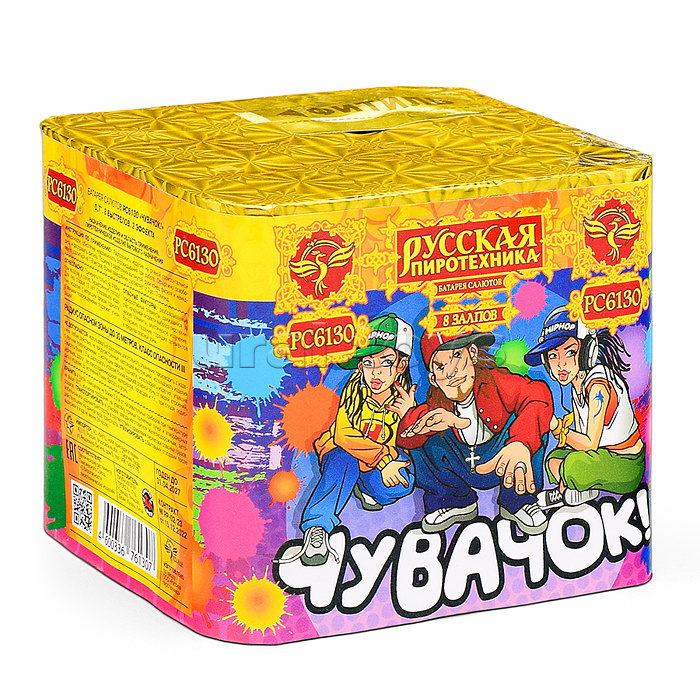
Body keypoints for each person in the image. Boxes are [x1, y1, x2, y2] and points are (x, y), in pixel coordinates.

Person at [278, 313, 417, 566]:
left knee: (402, 484)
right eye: (368, 363)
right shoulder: (353, 391)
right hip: (342, 455)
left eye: (386, 362)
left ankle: (361, 487)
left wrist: (409, 416)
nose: (376, 372)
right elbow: (343, 435)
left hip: (373, 464)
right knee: (345, 460)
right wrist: (383, 460)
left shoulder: (405, 397)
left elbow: (413, 442)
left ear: (401, 365)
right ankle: (317, 528)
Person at [398, 329, 552, 535]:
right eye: (441, 367)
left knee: (534, 422)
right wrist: (424, 428)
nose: (451, 372)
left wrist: (521, 442)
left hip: (503, 462)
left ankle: (519, 501)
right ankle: (453, 501)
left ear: (472, 353)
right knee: (422, 438)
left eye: (457, 356)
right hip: (463, 466)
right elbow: (404, 435)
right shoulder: (437, 405)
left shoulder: (496, 381)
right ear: (433, 379)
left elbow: (537, 395)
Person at [524, 307, 645, 509]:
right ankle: (575, 490)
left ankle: (565, 491)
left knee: (573, 465)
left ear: (587, 351)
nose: (561, 364)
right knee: (553, 459)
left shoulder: (598, 387)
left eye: (570, 352)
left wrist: (556, 426)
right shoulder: (576, 385)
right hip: (602, 458)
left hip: (627, 464)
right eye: (553, 356)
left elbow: (589, 444)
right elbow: (582, 437)